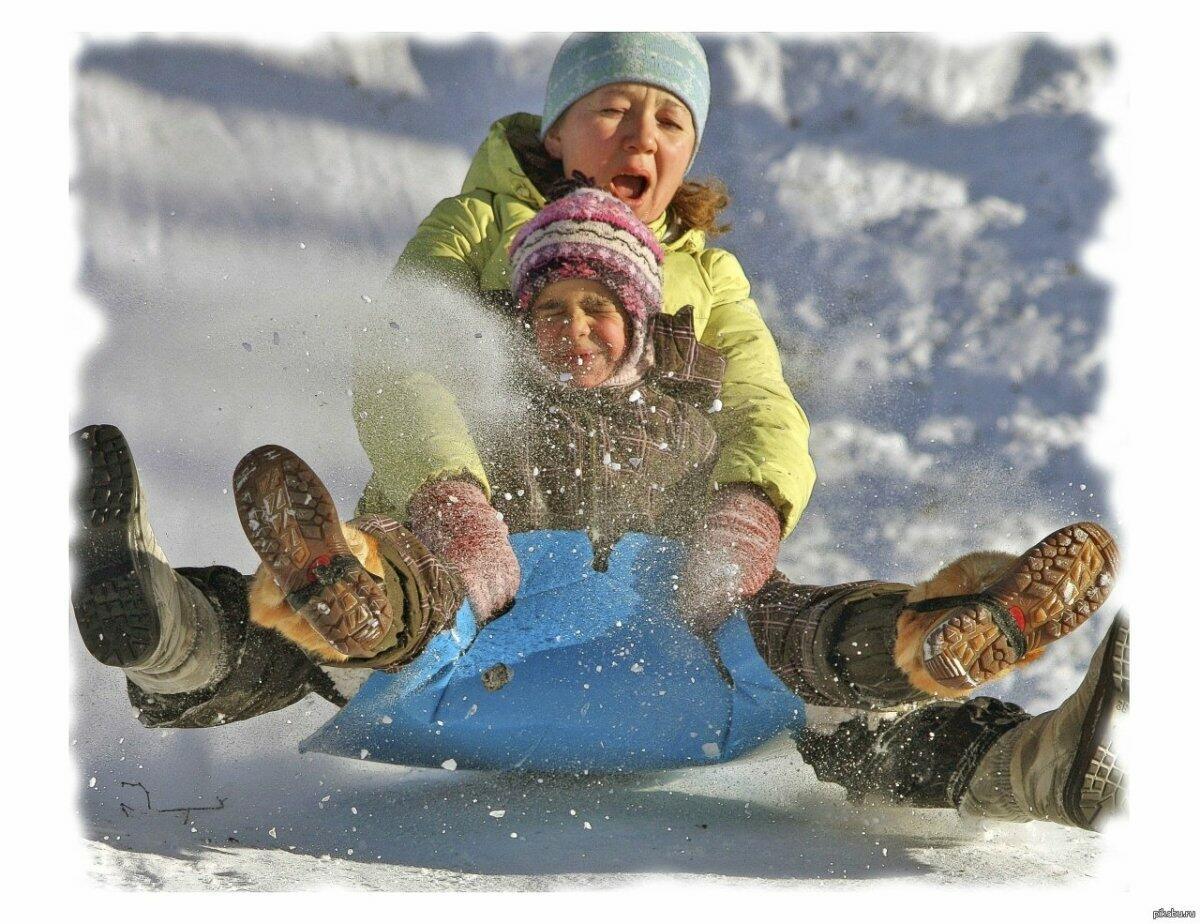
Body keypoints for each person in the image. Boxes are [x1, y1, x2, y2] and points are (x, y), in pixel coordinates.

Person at [71, 184, 1125, 832]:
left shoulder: (690, 407)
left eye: (598, 311)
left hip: (682, 643)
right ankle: (258, 606)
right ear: (515, 324)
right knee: (390, 589)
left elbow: (762, 438)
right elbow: (415, 412)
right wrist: (446, 522)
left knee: (803, 631)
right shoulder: (491, 398)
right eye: (550, 313)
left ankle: (941, 638)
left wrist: (736, 537)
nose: (573, 332)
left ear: (641, 319)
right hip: (485, 628)